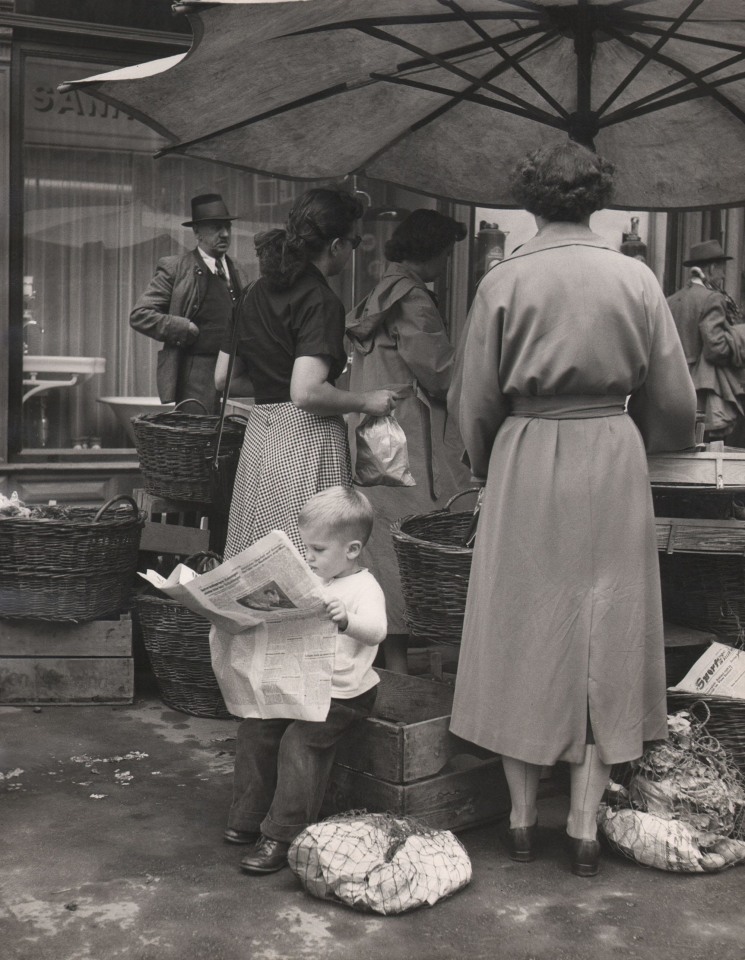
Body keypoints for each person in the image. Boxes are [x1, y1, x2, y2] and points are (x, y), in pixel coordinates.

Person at [448, 141, 697, 878]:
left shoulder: (502, 279)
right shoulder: (636, 277)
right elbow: (675, 402)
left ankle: (523, 819)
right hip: (613, 455)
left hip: (527, 454)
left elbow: (475, 401)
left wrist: (491, 460)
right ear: (597, 201)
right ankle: (584, 825)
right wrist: (639, 440)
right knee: (606, 629)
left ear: (530, 202)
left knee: (521, 627)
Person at [215, 188, 396, 559]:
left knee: (258, 559)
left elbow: (224, 379)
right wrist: (367, 401)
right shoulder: (321, 300)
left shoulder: (251, 293)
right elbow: (306, 392)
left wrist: (275, 383)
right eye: (353, 242)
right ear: (334, 245)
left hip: (260, 437)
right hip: (306, 440)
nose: (353, 250)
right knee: (310, 558)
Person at [223, 485, 387, 875]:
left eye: (317, 550)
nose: (308, 557)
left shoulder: (364, 587)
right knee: (256, 728)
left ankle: (283, 834)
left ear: (351, 550)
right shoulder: (314, 579)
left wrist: (346, 619)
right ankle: (248, 815)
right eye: (305, 548)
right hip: (300, 686)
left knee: (300, 742)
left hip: (345, 695)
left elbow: (378, 631)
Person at [345, 209, 472, 672]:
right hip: (411, 439)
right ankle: (442, 670)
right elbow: (439, 376)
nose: (446, 262)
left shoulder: (379, 292)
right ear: (431, 252)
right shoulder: (414, 298)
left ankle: (394, 666)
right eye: (446, 252)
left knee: (384, 545)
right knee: (426, 545)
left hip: (375, 433)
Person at [130, 193, 247, 414]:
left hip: (235, 376)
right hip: (197, 378)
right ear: (197, 232)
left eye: (227, 227)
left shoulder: (238, 271)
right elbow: (140, 314)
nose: (224, 234)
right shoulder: (176, 268)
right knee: (199, 441)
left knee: (233, 441)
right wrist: (184, 328)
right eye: (215, 227)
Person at [667, 239, 745, 442]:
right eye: (721, 270)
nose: (724, 276)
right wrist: (738, 338)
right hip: (704, 394)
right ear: (711, 268)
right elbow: (716, 348)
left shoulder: (672, 300)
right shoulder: (712, 298)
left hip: (673, 390)